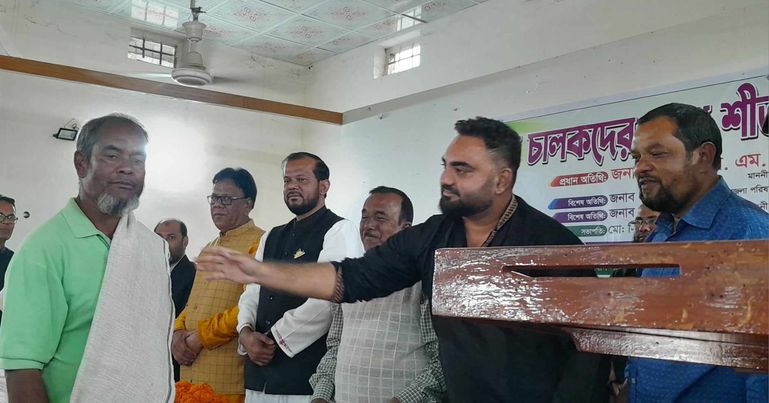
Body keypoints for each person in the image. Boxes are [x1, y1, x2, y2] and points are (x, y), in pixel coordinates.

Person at [199, 117, 610, 402]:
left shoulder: (551, 245)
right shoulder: (436, 235)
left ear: (502, 179)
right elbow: (352, 278)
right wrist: (260, 271)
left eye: (462, 170)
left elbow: (588, 355)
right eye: (446, 167)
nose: (446, 178)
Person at [0, 114, 174, 402]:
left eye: (138, 159)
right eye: (112, 156)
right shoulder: (45, 249)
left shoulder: (152, 248)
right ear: (81, 163)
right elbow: (22, 368)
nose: (128, 168)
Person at [626, 103, 769, 402]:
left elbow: (763, 369)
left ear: (703, 156)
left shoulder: (751, 234)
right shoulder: (659, 233)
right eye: (637, 157)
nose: (640, 168)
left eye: (657, 154)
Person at [237, 152, 363, 403]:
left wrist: (273, 339)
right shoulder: (271, 236)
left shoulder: (339, 229)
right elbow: (252, 290)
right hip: (258, 375)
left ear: (324, 186)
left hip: (304, 378)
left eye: (302, 180)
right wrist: (245, 332)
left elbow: (327, 298)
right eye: (287, 180)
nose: (292, 186)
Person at [310, 186, 445, 402]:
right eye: (364, 217)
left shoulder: (423, 282)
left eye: (380, 218)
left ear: (406, 229)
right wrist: (321, 396)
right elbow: (335, 347)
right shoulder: (348, 279)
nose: (369, 225)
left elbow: (442, 361)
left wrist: (401, 401)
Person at [174, 168, 265, 403]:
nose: (217, 205)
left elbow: (250, 306)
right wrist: (177, 332)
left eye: (226, 199)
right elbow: (193, 303)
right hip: (189, 373)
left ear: (248, 204)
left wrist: (200, 337)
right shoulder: (209, 247)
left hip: (226, 379)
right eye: (214, 198)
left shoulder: (261, 243)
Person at [155, 218, 197, 382]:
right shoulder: (144, 273)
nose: (164, 244)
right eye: (159, 238)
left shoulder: (195, 275)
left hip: (177, 365)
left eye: (171, 238)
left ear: (185, 241)